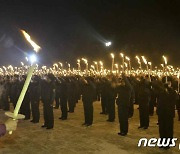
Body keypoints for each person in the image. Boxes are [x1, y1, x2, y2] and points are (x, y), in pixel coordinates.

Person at [157, 81, 177, 149]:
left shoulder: (173, 92)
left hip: (169, 113)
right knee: (162, 128)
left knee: (168, 128)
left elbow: (174, 100)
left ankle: (168, 143)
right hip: (162, 113)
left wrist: (169, 89)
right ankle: (162, 141)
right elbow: (159, 102)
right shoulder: (161, 92)